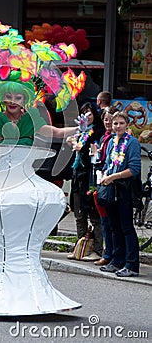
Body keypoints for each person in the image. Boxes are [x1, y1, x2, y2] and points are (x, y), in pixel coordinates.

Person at [99, 111, 141, 277]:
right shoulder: (111, 142)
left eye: (121, 123)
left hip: (124, 189)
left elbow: (134, 169)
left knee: (126, 227)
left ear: (127, 124)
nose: (117, 126)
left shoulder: (132, 143)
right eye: (115, 123)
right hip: (111, 189)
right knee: (113, 226)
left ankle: (131, 264)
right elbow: (108, 164)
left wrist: (113, 177)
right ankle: (117, 261)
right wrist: (104, 175)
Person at [66, 102, 104, 261]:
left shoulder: (98, 131)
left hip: (90, 177)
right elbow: (73, 143)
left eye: (89, 114)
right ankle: (80, 247)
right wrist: (73, 139)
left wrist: (77, 144)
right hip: (78, 175)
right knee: (78, 214)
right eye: (84, 114)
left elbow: (90, 150)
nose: (86, 117)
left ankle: (97, 249)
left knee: (94, 215)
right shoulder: (81, 130)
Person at [92, 106, 118, 266]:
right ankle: (108, 253)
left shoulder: (116, 139)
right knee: (105, 221)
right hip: (99, 180)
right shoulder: (104, 137)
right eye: (106, 119)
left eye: (111, 120)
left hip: (110, 183)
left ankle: (111, 254)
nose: (108, 122)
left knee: (110, 222)